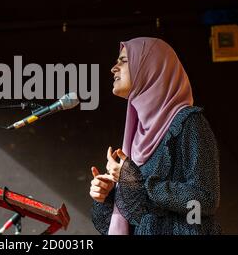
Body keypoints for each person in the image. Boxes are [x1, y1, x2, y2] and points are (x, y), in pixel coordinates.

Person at [89, 37, 221, 235]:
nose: (113, 68)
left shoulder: (189, 122)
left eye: (123, 61)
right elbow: (140, 215)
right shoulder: (136, 134)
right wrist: (110, 196)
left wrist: (136, 181)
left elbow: (205, 200)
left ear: (151, 68)